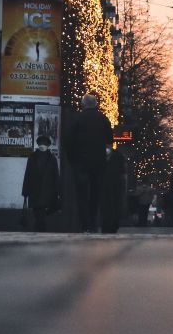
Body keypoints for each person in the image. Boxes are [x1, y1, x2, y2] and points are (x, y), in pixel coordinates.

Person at [67, 93, 113, 233]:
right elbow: (110, 142)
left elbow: (68, 141)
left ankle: (84, 224)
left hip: (80, 162)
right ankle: (93, 223)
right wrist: (105, 157)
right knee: (95, 194)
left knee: (82, 194)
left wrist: (72, 159)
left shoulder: (77, 119)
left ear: (83, 104)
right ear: (96, 104)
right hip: (98, 163)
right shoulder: (103, 119)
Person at [22, 135, 60, 232]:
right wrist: (25, 191)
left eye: (45, 144)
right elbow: (27, 174)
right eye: (41, 144)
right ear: (38, 145)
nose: (42, 146)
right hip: (34, 189)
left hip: (47, 190)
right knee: (37, 211)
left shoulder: (52, 159)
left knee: (42, 211)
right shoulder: (32, 157)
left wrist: (58, 191)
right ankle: (40, 228)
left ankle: (40, 228)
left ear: (48, 146)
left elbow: (56, 175)